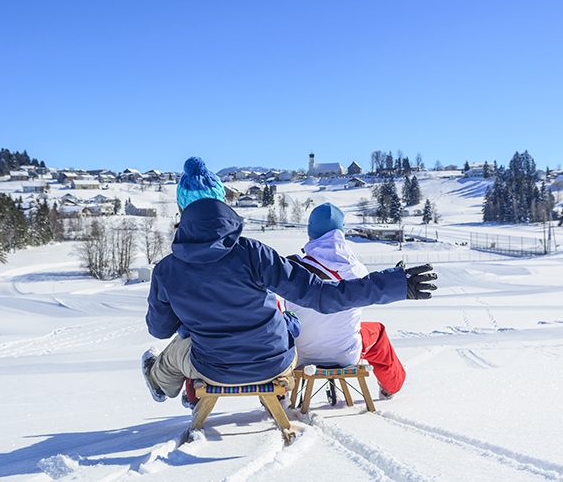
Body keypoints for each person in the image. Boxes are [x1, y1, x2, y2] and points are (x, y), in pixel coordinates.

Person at [143, 156, 437, 407]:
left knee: (178, 346)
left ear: (181, 210)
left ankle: (161, 383)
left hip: (215, 369)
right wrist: (397, 283)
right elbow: (323, 296)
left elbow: (159, 329)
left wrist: (189, 318)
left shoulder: (167, 271)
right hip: (274, 365)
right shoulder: (255, 254)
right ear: (221, 201)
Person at [284, 202, 407, 399]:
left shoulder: (292, 269)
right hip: (346, 354)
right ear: (341, 232)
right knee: (377, 332)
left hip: (300, 355)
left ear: (310, 233)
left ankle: (278, 394)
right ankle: (391, 387)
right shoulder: (357, 269)